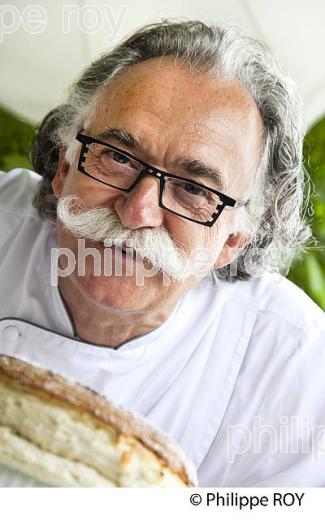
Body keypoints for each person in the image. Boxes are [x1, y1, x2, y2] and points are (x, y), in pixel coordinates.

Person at [0, 20, 324, 486]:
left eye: (193, 189)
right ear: (65, 165)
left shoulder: (299, 369)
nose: (137, 211)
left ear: (233, 241)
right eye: (117, 157)